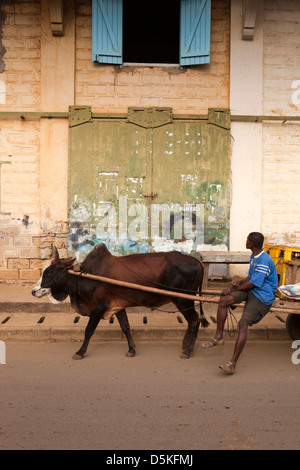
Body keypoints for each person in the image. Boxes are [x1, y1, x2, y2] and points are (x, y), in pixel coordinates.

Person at [201, 232, 278, 375]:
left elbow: (254, 283)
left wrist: (231, 288)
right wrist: (239, 282)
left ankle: (232, 364)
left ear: (253, 243)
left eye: (247, 240)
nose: (246, 241)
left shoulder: (264, 260)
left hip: (262, 295)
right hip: (253, 289)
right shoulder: (254, 256)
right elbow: (250, 277)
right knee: (224, 300)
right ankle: (218, 337)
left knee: (243, 324)